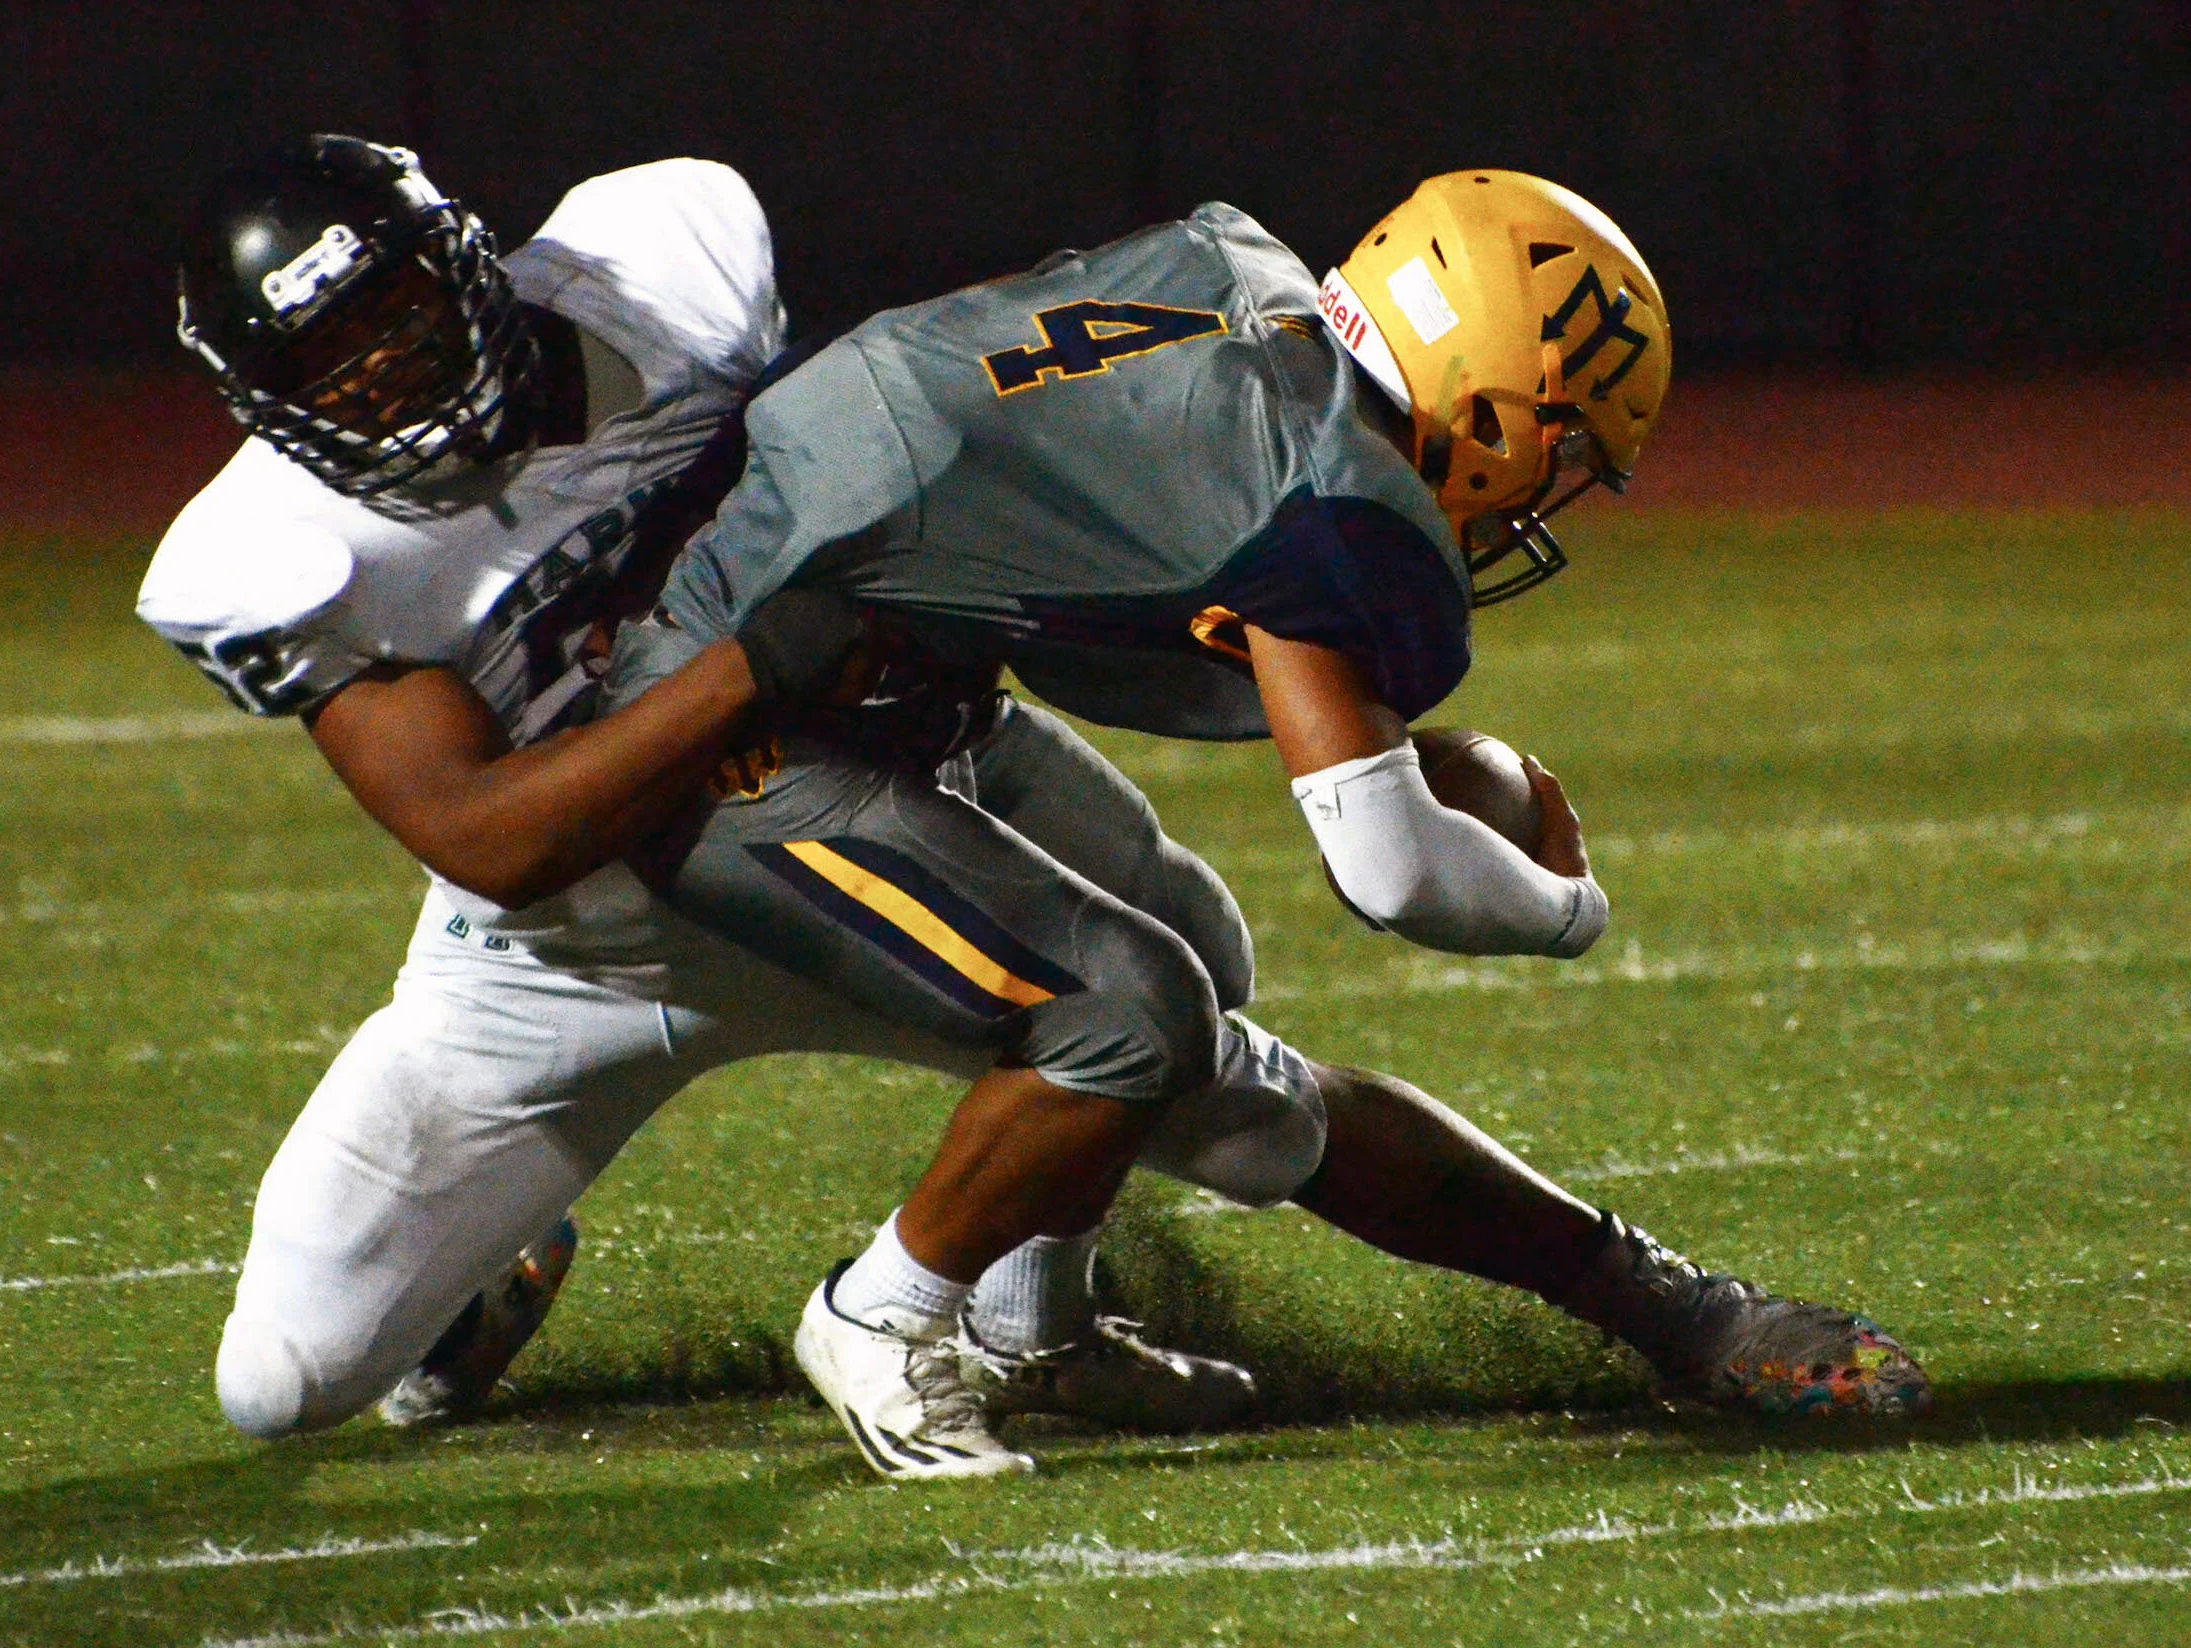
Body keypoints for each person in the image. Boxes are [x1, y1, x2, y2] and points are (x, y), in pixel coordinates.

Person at [602, 169, 1931, 1479]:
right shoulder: (1327, 494)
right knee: (1137, 1010)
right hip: (717, 730)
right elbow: (1393, 871)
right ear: (1486, 396)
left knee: (1194, 941)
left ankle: (1029, 1324)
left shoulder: (1239, 278)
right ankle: (880, 1318)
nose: (1547, 489)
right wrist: (1569, 905)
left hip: (886, 676)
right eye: (1565, 443)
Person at [139, 135, 1259, 1440]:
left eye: (393, 319)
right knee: (279, 1386)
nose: (384, 377)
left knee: (1193, 958)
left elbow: (853, 455)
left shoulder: (660, 274)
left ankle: (1032, 1328)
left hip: (860, 797)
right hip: (571, 946)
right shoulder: (276, 551)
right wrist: (756, 662)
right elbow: (487, 837)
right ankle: (491, 1269)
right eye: (329, 365)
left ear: (466, 266)